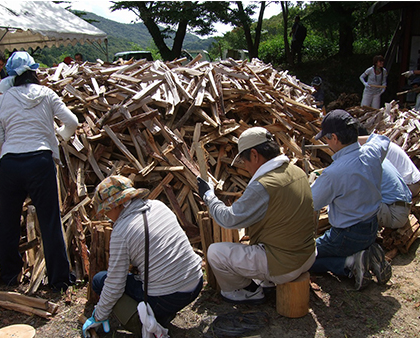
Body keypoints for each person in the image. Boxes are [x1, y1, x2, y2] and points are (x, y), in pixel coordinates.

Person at [197, 127, 316, 305]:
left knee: (215, 253)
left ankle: (247, 292)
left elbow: (229, 220)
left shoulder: (264, 185)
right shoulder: (297, 171)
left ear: (254, 155)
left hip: (285, 266)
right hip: (307, 256)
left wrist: (209, 197)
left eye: (245, 161)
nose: (246, 167)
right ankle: (266, 279)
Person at [0, 51, 78, 291]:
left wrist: (12, 147)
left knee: (8, 221)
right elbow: (72, 122)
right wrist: (57, 137)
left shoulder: (2, 100)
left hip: (10, 164)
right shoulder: (47, 94)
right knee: (49, 220)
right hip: (40, 161)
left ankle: (9, 276)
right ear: (34, 71)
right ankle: (59, 279)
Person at [83, 175, 203, 337]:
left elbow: (114, 284)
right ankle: (162, 312)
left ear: (116, 205)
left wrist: (98, 316)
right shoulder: (159, 205)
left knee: (100, 280)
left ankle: (146, 326)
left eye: (106, 210)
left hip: (169, 297)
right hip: (196, 282)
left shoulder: (121, 231)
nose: (106, 216)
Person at [310, 109, 392, 290]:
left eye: (327, 138)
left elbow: (311, 203)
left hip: (346, 235)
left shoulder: (335, 172)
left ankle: (350, 264)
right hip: (371, 227)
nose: (326, 142)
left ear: (335, 138)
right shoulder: (371, 152)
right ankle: (365, 253)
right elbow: (382, 139)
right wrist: (356, 140)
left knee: (301, 258)